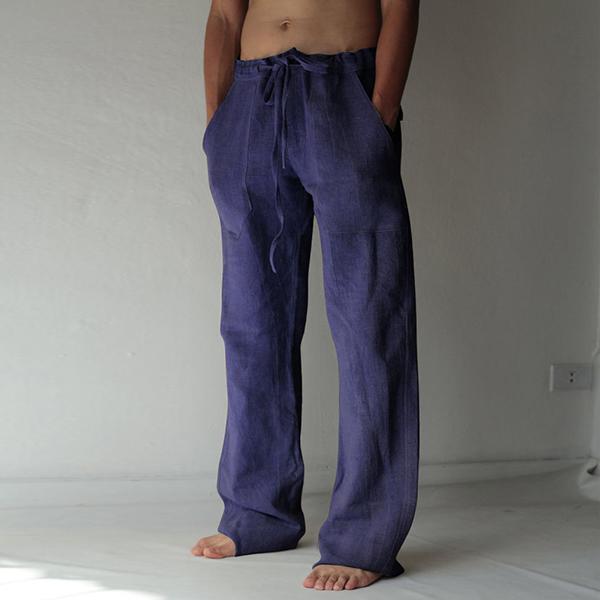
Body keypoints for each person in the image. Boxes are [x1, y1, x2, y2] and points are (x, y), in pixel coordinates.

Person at [191, 0, 420, 591]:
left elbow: (400, 7)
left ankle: (365, 537)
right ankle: (257, 513)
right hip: (251, 99)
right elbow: (224, 16)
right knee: (251, 324)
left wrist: (379, 109)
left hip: (345, 92)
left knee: (370, 322)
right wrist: (219, 118)